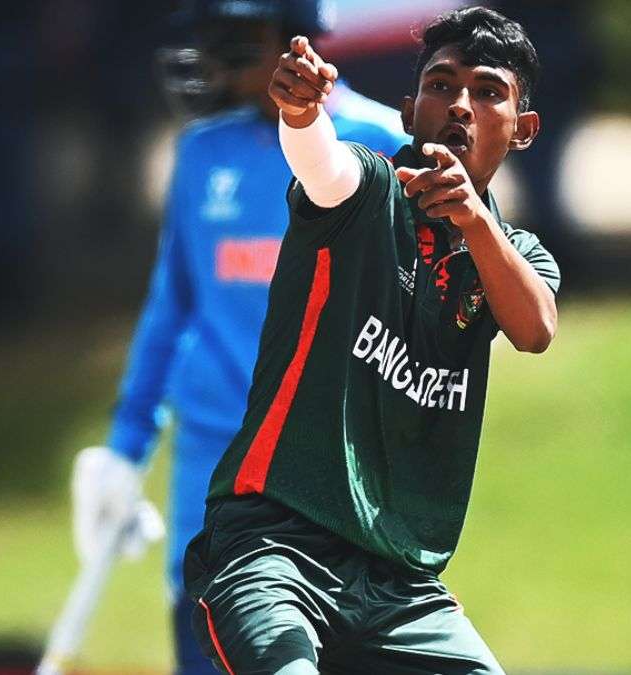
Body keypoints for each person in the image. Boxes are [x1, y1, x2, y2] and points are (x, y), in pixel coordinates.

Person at [183, 7, 559, 673]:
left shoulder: (515, 255)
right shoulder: (367, 191)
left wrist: (473, 221)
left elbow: (534, 330)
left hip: (400, 585)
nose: (461, 106)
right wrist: (300, 114)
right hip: (273, 548)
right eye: (441, 86)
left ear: (523, 129)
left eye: (488, 91)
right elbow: (324, 166)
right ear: (410, 109)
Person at [67, 2, 410, 673]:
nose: (214, 57)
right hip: (211, 463)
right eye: (207, 38)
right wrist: (125, 445)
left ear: (296, 40)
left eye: (235, 39)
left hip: (335, 475)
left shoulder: (384, 142)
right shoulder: (201, 153)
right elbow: (172, 307)